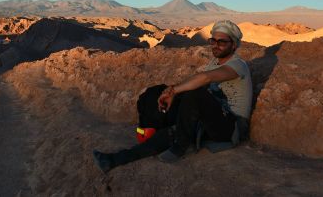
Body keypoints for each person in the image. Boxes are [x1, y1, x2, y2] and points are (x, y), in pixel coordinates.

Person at [93, 20, 252, 173]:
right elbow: (197, 79)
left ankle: (181, 146)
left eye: (222, 42)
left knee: (195, 94)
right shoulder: (214, 63)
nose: (216, 45)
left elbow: (205, 78)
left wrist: (175, 91)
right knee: (157, 92)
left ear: (234, 44)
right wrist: (169, 91)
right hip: (209, 118)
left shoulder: (238, 65)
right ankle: (113, 160)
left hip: (231, 126)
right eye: (213, 40)